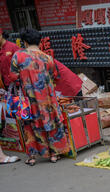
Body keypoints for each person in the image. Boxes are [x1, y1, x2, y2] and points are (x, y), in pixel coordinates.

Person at [9, 28, 70, 166]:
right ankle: (54, 154)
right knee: (52, 123)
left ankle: (32, 157)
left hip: (28, 99)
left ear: (24, 42)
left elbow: (12, 76)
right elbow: (55, 76)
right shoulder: (47, 57)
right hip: (48, 99)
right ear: (39, 41)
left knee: (29, 126)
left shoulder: (18, 56)